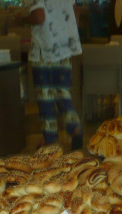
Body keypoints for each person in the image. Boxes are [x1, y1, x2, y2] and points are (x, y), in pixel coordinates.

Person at [24, 0, 83, 150]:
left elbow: (39, 17)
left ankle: (50, 141)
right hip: (64, 48)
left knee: (45, 97)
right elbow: (75, 13)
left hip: (44, 50)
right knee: (62, 93)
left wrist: (21, 19)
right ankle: (74, 127)